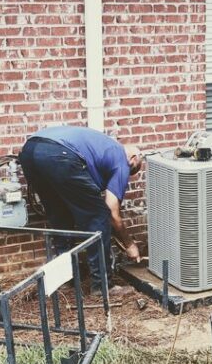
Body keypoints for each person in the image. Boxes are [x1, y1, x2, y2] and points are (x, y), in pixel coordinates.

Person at [18, 125, 143, 294]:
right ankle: (102, 285)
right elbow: (112, 213)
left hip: (30, 151)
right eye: (131, 170)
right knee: (99, 216)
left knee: (60, 215)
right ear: (133, 159)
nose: (126, 174)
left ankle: (65, 278)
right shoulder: (121, 159)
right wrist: (129, 244)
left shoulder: (101, 146)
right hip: (59, 154)